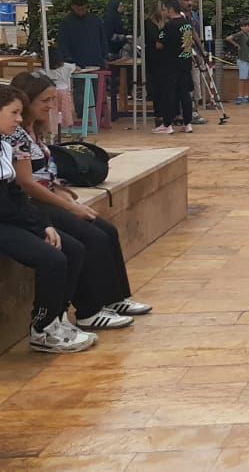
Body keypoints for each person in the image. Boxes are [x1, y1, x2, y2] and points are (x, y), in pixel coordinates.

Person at [6, 72, 152, 331]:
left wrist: (61, 191)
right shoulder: (15, 136)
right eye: (45, 100)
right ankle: (89, 310)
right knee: (87, 239)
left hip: (46, 197)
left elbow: (41, 174)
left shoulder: (34, 130)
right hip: (34, 204)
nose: (51, 106)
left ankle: (115, 297)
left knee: (106, 230)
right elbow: (26, 183)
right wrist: (69, 206)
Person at [0, 85, 97, 353]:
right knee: (51, 258)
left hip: (12, 217)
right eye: (14, 113)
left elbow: (16, 193)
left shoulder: (7, 142)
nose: (20, 120)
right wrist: (34, 225)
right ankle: (42, 328)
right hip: (4, 222)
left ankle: (57, 318)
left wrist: (44, 224)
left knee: (73, 248)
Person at [152, 0, 194, 134]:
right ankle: (188, 123)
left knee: (168, 94)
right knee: (185, 94)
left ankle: (167, 124)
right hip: (185, 63)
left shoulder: (169, 26)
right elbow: (188, 42)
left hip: (171, 65)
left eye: (164, 9)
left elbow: (159, 44)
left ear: (170, 9)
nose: (163, 12)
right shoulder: (187, 24)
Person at [223, 18, 249, 105]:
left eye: (246, 26)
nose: (244, 28)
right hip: (242, 59)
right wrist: (236, 45)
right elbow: (228, 38)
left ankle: (246, 96)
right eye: (243, 26)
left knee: (248, 78)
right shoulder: (241, 34)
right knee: (242, 78)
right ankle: (240, 96)